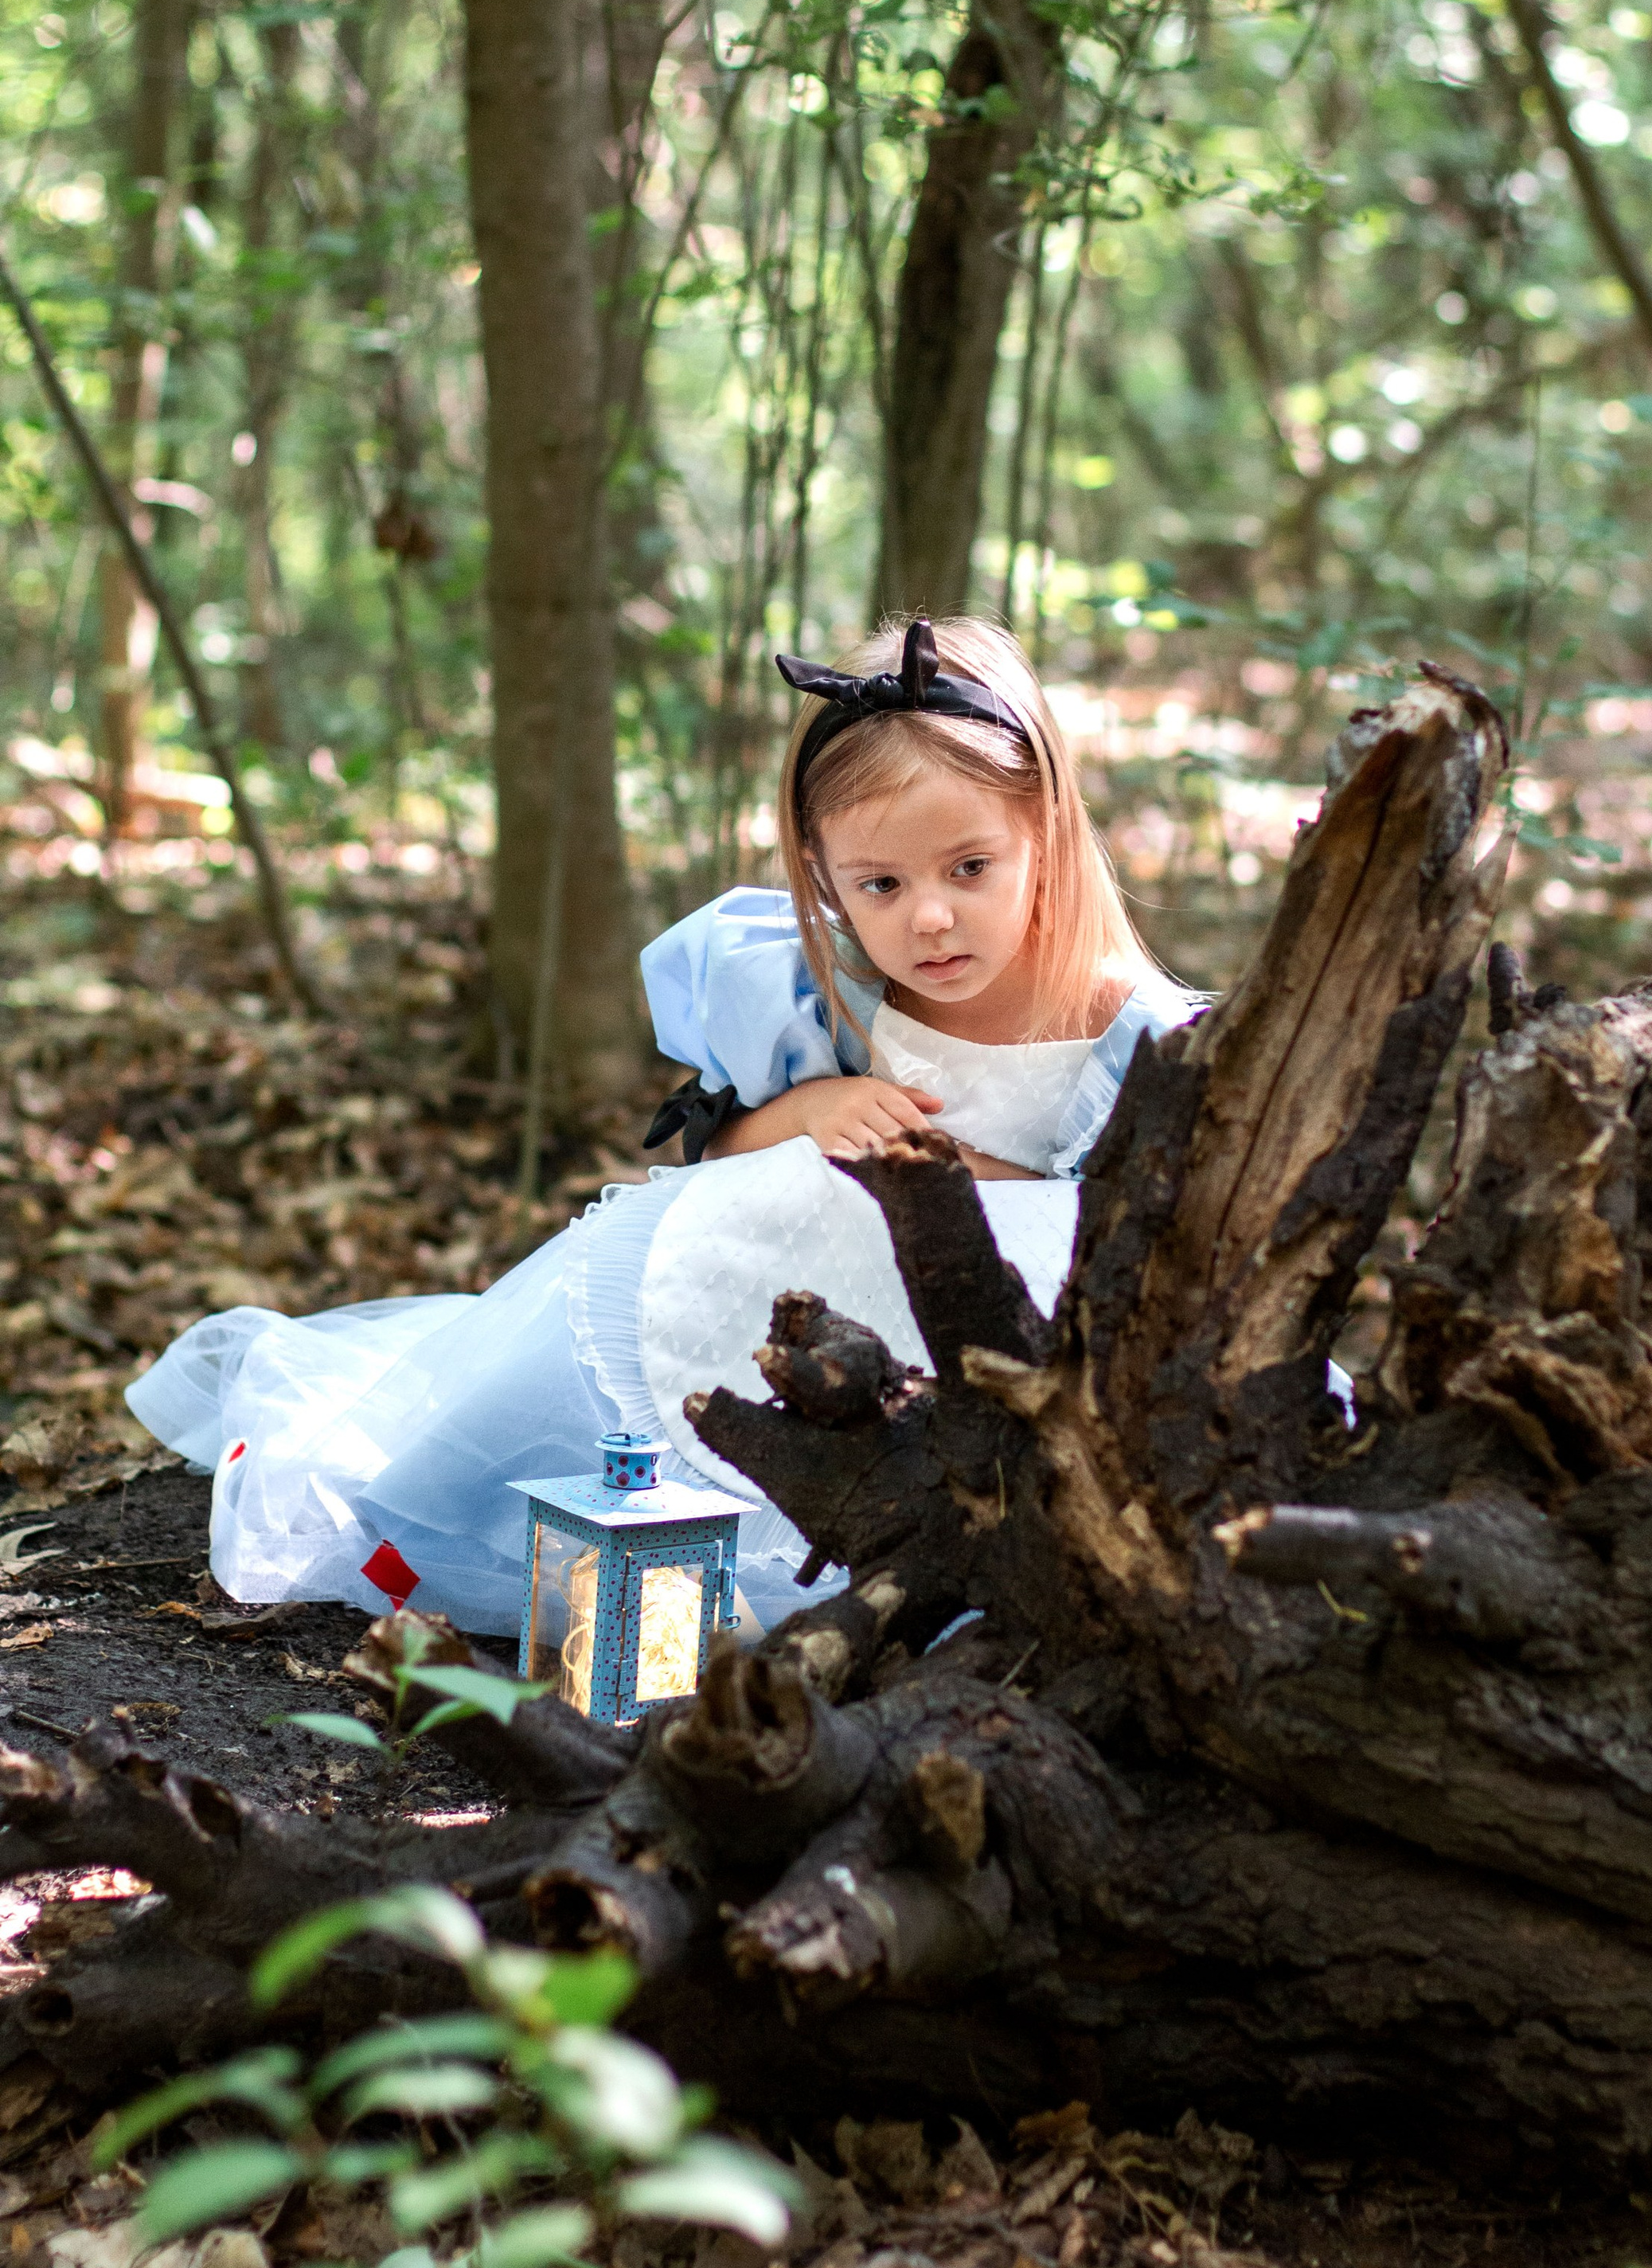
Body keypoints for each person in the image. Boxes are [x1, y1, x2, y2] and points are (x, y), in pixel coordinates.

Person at [127, 616, 1204, 1644]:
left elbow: (1167, 1238)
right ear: (823, 873)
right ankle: (435, 1492)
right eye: (882, 882)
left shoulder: (1128, 1035)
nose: (929, 916)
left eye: (971, 869)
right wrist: (804, 1113)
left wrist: (992, 1184)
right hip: (798, 1324)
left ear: (1046, 838)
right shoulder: (823, 990)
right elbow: (723, 1159)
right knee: (616, 1330)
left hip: (993, 1352)